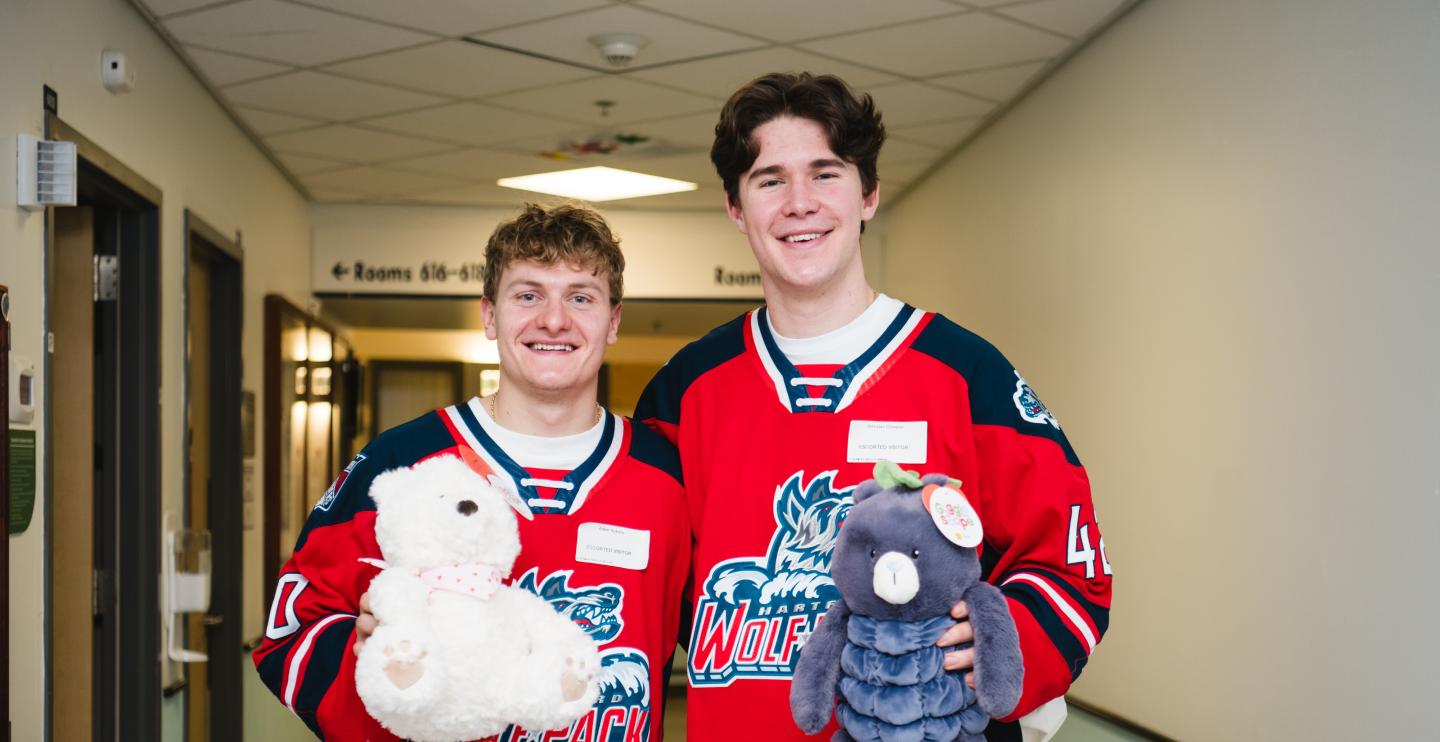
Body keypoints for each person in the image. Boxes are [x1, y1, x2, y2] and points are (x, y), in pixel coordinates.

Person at [634, 73, 1112, 742]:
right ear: (736, 208)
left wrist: (1003, 639)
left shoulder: (964, 372)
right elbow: (638, 591)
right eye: (770, 179)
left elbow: (1072, 562)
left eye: (825, 174)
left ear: (868, 194)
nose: (800, 203)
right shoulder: (684, 390)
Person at [254, 204, 689, 742]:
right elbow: (288, 632)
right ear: (489, 315)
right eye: (528, 295)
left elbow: (727, 634)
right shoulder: (405, 461)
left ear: (614, 320)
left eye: (580, 297)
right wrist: (374, 659)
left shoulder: (668, 472)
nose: (554, 319)